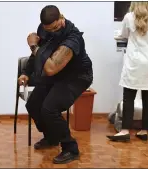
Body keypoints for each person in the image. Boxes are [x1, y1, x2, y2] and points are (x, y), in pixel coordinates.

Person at [18, 5, 93, 164]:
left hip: (77, 77)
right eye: (48, 29)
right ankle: (51, 137)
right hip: (59, 75)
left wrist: (33, 45)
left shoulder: (73, 38)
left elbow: (51, 68)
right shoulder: (44, 29)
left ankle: (71, 149)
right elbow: (38, 55)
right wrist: (25, 72)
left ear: (61, 18)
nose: (51, 31)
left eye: (54, 27)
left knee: (49, 108)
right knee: (33, 105)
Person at [107, 2, 148, 142]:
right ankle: (144, 130)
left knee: (129, 96)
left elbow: (123, 34)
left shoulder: (130, 17)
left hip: (135, 62)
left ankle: (124, 131)